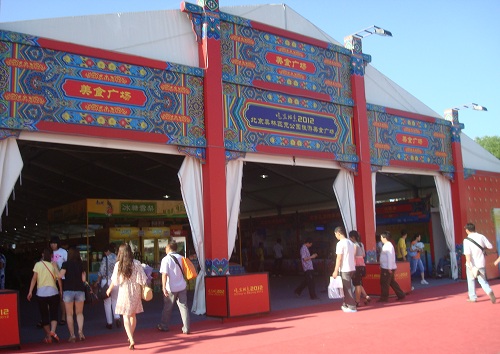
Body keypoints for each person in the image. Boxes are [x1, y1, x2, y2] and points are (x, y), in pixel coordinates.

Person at [106, 243, 148, 350]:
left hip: (124, 290)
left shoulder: (118, 265)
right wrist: (145, 288)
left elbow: (114, 280)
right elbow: (143, 279)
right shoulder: (137, 263)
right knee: (133, 315)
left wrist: (109, 289)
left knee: (125, 316)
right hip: (135, 290)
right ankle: (131, 336)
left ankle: (130, 337)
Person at [27, 248, 63, 344]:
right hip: (53, 292)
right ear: (51, 255)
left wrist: (30, 291)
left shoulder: (38, 265)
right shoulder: (54, 265)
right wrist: (61, 290)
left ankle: (48, 337)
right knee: (54, 313)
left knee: (44, 315)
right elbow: (59, 279)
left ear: (42, 254)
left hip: (41, 293)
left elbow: (34, 279)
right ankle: (53, 332)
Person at [157, 240, 191, 334]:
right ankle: (186, 327)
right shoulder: (181, 257)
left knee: (168, 307)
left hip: (171, 287)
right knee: (184, 306)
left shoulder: (165, 259)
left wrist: (163, 287)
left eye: (166, 247)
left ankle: (164, 325)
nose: (165, 249)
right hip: (182, 285)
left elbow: (164, 275)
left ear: (169, 248)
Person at [59, 247, 86, 342]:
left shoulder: (65, 264)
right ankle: (80, 332)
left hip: (68, 291)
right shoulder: (81, 264)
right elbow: (83, 279)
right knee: (79, 313)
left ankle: (72, 335)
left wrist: (55, 267)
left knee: (69, 314)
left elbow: (60, 275)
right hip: (80, 290)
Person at [463, 223, 496, 304]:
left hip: (472, 264)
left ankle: (472, 297)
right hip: (481, 263)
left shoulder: (466, 240)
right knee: (482, 281)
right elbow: (490, 246)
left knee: (470, 280)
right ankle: (489, 291)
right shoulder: (481, 236)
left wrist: (468, 264)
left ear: (467, 230)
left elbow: (467, 254)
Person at [332, 226, 357, 313]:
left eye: (335, 234)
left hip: (345, 268)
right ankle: (346, 304)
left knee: (347, 287)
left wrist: (335, 270)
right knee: (347, 287)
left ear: (338, 233)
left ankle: (351, 306)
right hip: (351, 267)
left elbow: (339, 258)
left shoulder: (340, 244)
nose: (336, 236)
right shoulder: (350, 242)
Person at [96, 243, 121, 329]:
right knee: (115, 300)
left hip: (106, 282)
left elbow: (101, 271)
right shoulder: (117, 258)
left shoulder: (105, 259)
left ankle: (109, 322)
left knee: (107, 302)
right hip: (116, 282)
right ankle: (117, 317)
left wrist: (97, 281)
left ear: (107, 251)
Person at [378, 231, 406, 303]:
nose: (380, 239)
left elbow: (390, 257)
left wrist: (389, 268)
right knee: (392, 282)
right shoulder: (387, 245)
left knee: (384, 283)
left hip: (387, 268)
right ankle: (401, 294)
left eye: (381, 237)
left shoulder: (388, 246)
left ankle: (384, 298)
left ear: (385, 238)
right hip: (386, 267)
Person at [349, 230, 371, 306]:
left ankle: (357, 301)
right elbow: (364, 255)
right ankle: (366, 296)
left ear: (353, 237)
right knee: (359, 283)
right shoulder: (361, 244)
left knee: (357, 284)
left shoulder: (354, 245)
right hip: (362, 265)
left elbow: (353, 255)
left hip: (356, 266)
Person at [50, 236, 68, 325]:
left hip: (62, 278)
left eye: (54, 243)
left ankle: (63, 316)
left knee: (62, 298)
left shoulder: (63, 252)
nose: (52, 245)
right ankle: (52, 317)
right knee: (52, 298)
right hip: (51, 279)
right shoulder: (49, 253)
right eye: (51, 243)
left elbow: (67, 264)